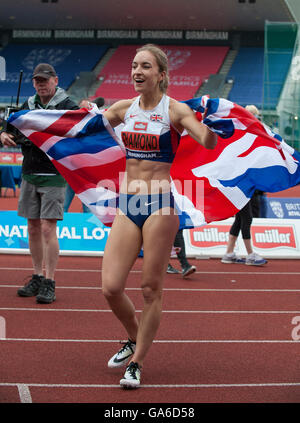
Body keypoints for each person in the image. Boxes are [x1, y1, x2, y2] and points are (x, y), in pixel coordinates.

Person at [101, 44, 217, 388]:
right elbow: (80, 129)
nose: (137, 71)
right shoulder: (123, 108)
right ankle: (136, 337)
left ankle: (136, 363)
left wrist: (217, 124)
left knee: (151, 288)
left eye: (145, 66)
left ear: (161, 75)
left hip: (161, 205)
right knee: (110, 287)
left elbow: (207, 142)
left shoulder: (175, 110)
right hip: (129, 203)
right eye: (134, 65)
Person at [0, 63, 78, 303]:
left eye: (45, 80)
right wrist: (3, 134)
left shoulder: (68, 106)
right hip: (29, 173)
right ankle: (36, 275)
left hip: (54, 174)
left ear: (56, 80)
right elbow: (9, 128)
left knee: (47, 228)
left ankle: (49, 280)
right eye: (37, 81)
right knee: (32, 227)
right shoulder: (29, 104)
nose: (41, 84)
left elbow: (78, 132)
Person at [221, 105, 267, 266]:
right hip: (240, 183)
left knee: (240, 219)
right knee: (246, 218)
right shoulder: (242, 135)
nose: (256, 119)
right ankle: (250, 254)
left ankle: (228, 253)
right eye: (255, 115)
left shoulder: (242, 135)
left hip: (240, 182)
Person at [63, 97, 105, 213]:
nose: (84, 110)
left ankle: (88, 229)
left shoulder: (97, 126)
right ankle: (58, 229)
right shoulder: (71, 127)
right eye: (82, 108)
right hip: (71, 172)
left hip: (87, 173)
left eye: (87, 108)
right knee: (62, 206)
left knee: (88, 207)